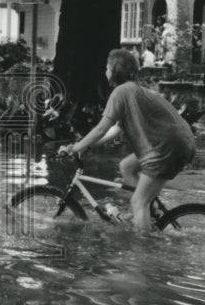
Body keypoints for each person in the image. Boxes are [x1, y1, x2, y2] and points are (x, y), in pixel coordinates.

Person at [58, 48, 195, 233]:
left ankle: (144, 247)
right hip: (178, 143)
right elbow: (113, 132)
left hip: (166, 148)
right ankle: (151, 214)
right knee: (127, 167)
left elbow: (101, 128)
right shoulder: (134, 91)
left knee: (138, 201)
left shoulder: (121, 92)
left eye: (107, 67)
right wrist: (84, 146)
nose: (105, 71)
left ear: (115, 70)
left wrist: (75, 148)